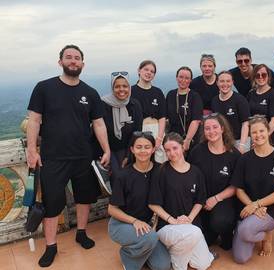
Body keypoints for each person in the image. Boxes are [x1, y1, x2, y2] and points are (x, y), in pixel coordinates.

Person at [26, 45, 111, 267]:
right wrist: (32, 150)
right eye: (69, 57)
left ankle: (81, 233)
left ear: (83, 63)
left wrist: (106, 149)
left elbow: (99, 123)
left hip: (84, 155)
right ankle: (51, 246)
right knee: (52, 203)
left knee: (85, 198)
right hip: (52, 157)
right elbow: (34, 120)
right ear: (60, 61)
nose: (73, 61)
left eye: (77, 58)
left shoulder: (90, 93)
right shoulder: (44, 88)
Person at [231, 115, 274, 264]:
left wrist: (257, 204)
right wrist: (252, 206)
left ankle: (266, 235)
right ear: (250, 135)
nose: (258, 135)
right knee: (241, 258)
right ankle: (254, 231)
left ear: (268, 131)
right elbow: (239, 189)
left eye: (261, 131)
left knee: (245, 231)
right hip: (248, 207)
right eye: (254, 132)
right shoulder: (244, 159)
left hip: (270, 210)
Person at [149, 132, 214, 270]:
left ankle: (175, 252)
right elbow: (153, 204)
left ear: (182, 147)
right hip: (168, 226)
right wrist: (172, 220)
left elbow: (200, 201)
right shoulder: (161, 171)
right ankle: (180, 265)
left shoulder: (196, 172)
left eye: (175, 148)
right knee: (194, 234)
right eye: (167, 150)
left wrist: (189, 219)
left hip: (190, 225)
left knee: (202, 264)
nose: (172, 153)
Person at [108, 132, 170, 270]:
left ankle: (141, 249)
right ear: (132, 149)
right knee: (150, 238)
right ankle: (128, 256)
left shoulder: (160, 170)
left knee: (163, 266)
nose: (143, 151)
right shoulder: (123, 175)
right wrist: (135, 221)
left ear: (153, 149)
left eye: (147, 147)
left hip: (147, 226)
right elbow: (111, 209)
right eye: (139, 147)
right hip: (121, 224)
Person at [189, 113, 241, 250]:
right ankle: (211, 232)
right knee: (201, 241)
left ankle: (227, 231)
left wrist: (216, 199)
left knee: (221, 223)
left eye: (215, 127)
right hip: (201, 202)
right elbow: (188, 176)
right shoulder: (197, 152)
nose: (211, 132)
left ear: (222, 128)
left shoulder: (234, 155)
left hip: (223, 200)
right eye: (207, 128)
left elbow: (236, 185)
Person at [93, 71, 143, 188]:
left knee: (131, 175)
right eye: (117, 86)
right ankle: (116, 204)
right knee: (117, 176)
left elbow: (137, 132)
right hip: (107, 149)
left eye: (125, 86)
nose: (121, 89)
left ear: (129, 87)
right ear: (112, 88)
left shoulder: (135, 105)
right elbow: (97, 129)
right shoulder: (102, 104)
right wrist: (103, 153)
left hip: (127, 149)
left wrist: (128, 155)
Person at [131, 60, 167, 163]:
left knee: (160, 160)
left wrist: (160, 138)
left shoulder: (158, 92)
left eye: (152, 71)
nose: (149, 73)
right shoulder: (131, 91)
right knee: (140, 159)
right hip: (138, 129)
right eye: (146, 69)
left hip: (156, 129)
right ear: (139, 70)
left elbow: (162, 117)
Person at [211, 71, 250, 153]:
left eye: (228, 81)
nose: (225, 84)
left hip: (239, 141)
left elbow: (245, 123)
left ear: (232, 82)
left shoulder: (240, 100)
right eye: (222, 81)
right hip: (222, 142)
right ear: (217, 83)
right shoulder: (214, 101)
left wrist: (242, 145)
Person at [165, 67, 203, 152]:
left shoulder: (195, 96)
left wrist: (187, 140)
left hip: (191, 139)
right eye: (181, 77)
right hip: (173, 139)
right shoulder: (171, 94)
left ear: (190, 80)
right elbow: (165, 117)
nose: (183, 80)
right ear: (176, 78)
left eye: (187, 78)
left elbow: (196, 120)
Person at [246, 64, 274, 149]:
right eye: (257, 75)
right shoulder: (250, 94)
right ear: (254, 77)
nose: (261, 77)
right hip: (255, 136)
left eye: (264, 74)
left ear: (268, 76)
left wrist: (264, 137)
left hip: (270, 137)